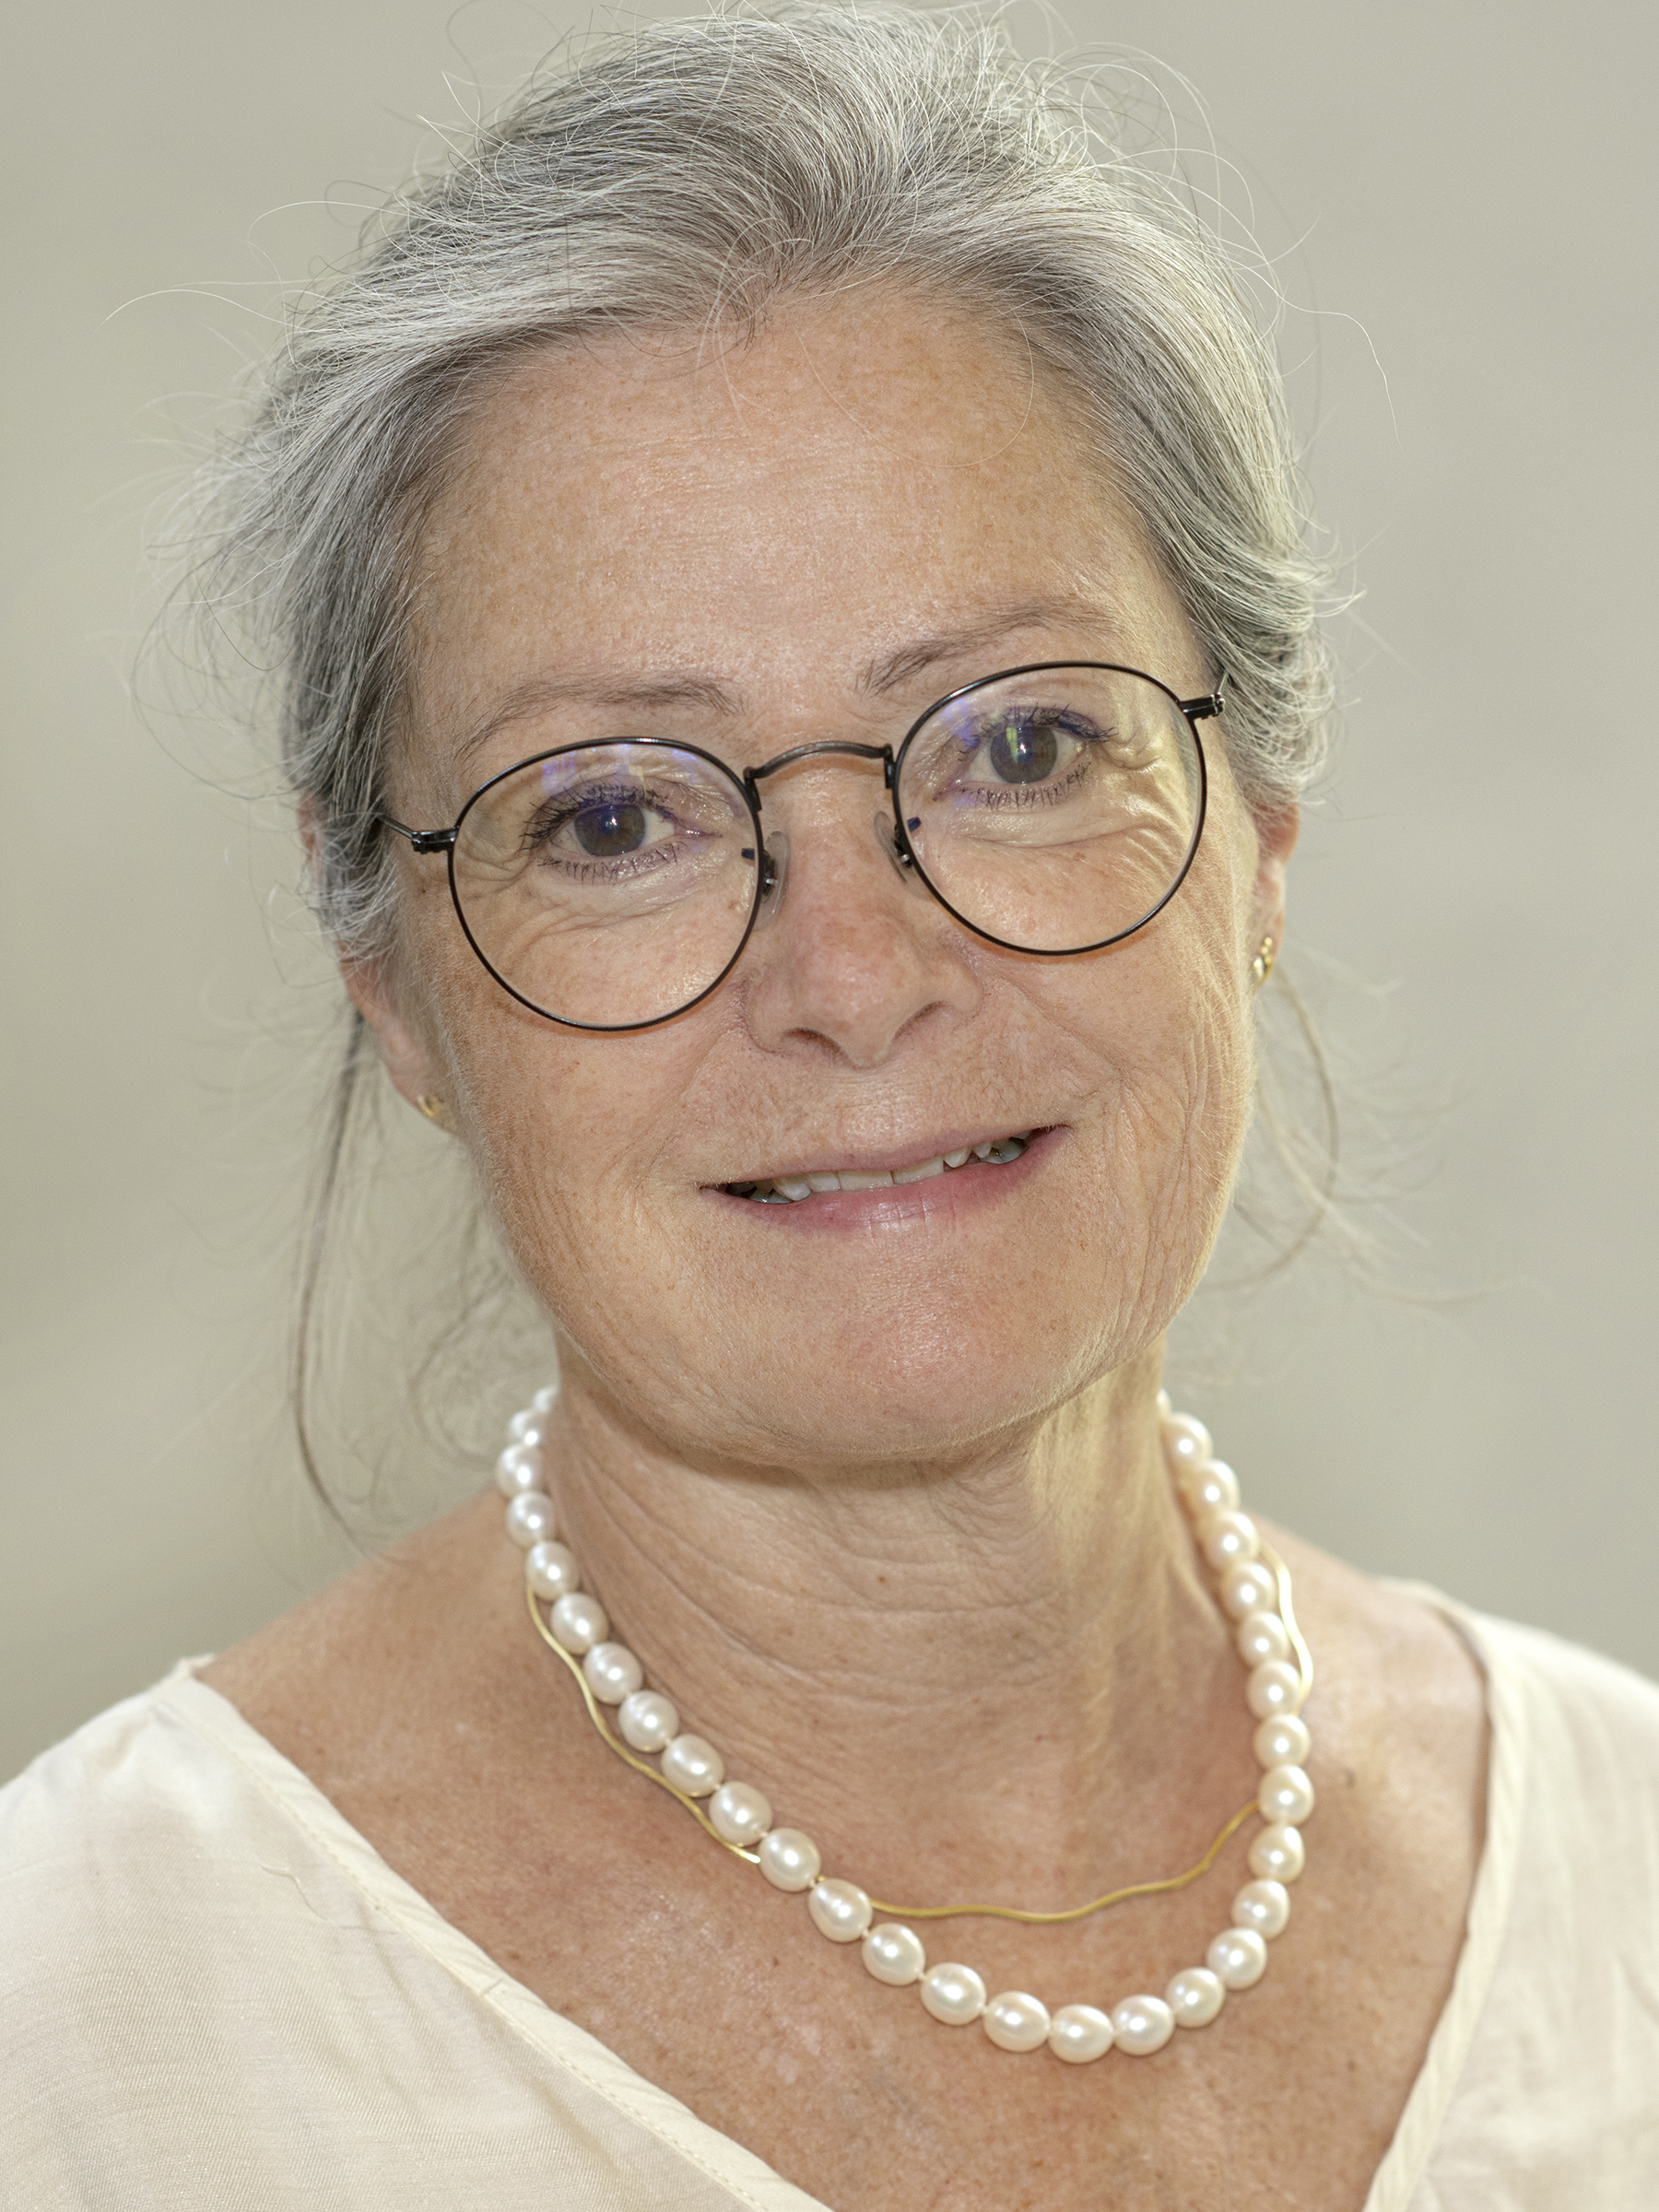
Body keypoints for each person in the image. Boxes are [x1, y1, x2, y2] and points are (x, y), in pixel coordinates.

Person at [4, 11, 1656, 2207]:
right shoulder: (78, 2034)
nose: (858, 980)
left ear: (1258, 833)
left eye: (1019, 747)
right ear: (387, 978)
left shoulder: (1625, 1891)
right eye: (612, 817)